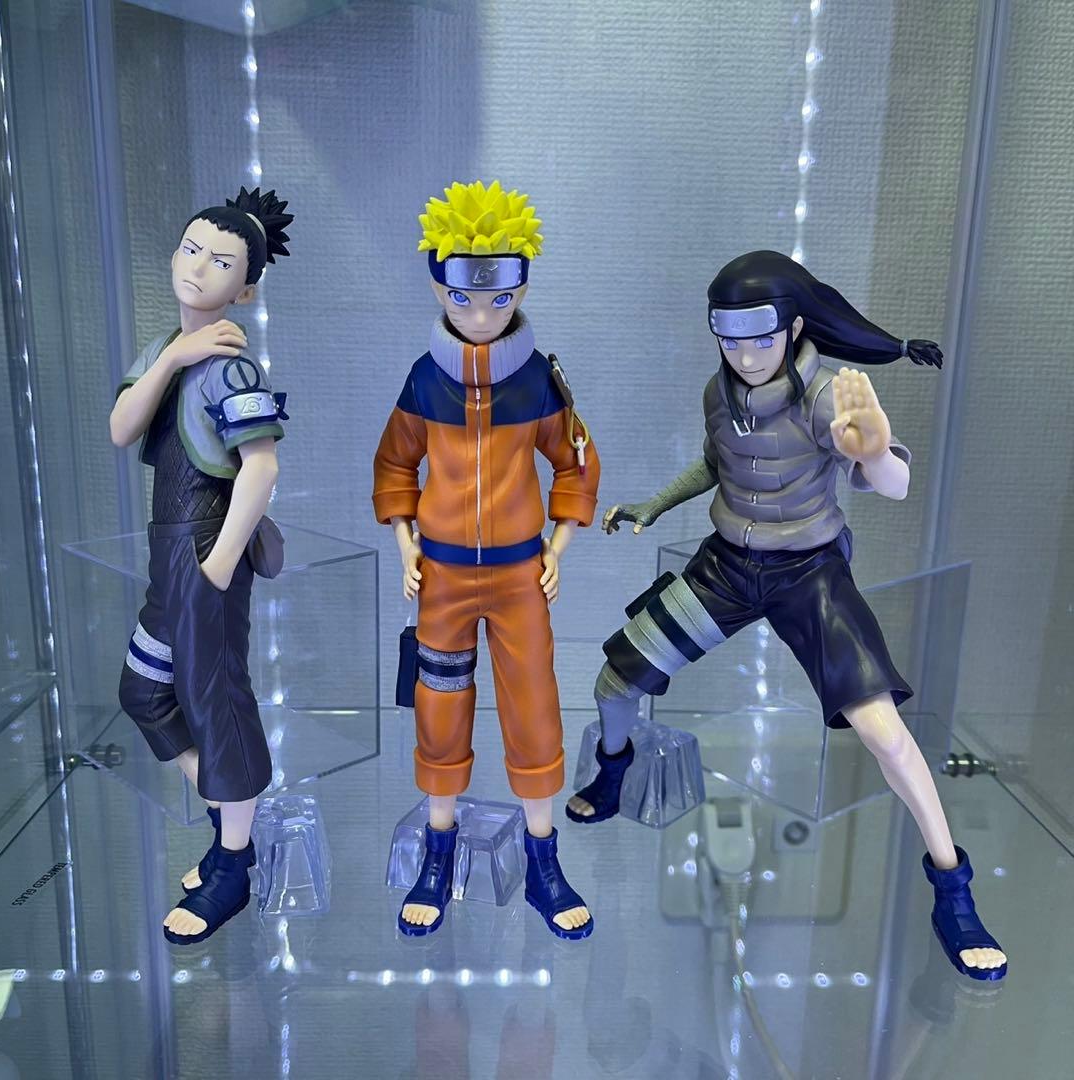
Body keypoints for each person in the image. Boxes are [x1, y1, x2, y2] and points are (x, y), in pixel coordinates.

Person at [569, 250, 1006, 980]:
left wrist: (875, 453)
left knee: (885, 733)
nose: (745, 356)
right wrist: (654, 505)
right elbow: (717, 463)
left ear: (794, 327)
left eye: (761, 340)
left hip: (810, 574)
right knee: (616, 681)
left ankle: (951, 885)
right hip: (727, 567)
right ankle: (615, 770)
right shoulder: (719, 392)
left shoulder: (830, 396)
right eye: (729, 340)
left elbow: (893, 482)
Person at [373, 180, 600, 939]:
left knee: (534, 706)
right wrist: (405, 540)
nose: (479, 317)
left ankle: (544, 860)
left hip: (519, 575)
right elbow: (395, 462)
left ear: (521, 287)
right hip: (440, 575)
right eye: (462, 299)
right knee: (439, 708)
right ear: (439, 289)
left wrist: (558, 545)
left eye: (497, 300)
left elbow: (575, 462)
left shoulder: (537, 379)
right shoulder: (424, 377)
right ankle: (438, 853)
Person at [110, 186, 293, 945]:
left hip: (206, 548)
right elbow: (122, 428)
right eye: (190, 249)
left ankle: (233, 867)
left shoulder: (233, 371)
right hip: (170, 552)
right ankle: (232, 823)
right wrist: (174, 357)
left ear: (244, 289)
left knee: (215, 702)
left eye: (220, 261)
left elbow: (261, 468)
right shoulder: (169, 351)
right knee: (144, 689)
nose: (197, 266)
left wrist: (217, 565)